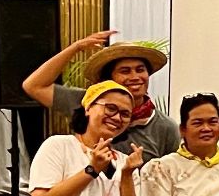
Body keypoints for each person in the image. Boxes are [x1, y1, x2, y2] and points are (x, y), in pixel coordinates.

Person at [21, 32, 178, 160]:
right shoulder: (88, 101)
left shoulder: (165, 128)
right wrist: (76, 47)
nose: (135, 77)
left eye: (140, 70)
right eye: (125, 71)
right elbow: (34, 86)